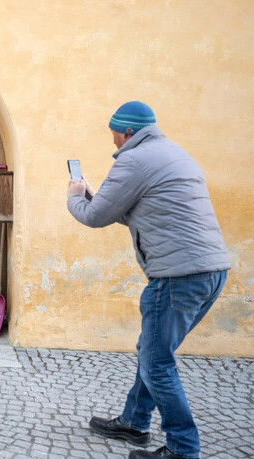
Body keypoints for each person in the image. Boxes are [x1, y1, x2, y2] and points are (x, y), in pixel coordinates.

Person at [66, 101, 231, 459]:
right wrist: (98, 194)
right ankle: (134, 421)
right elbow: (137, 211)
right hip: (212, 272)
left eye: (114, 134)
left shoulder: (134, 160)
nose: (113, 141)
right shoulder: (174, 153)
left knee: (156, 363)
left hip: (177, 277)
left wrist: (75, 198)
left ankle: (183, 449)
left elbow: (95, 217)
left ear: (128, 132)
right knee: (152, 351)